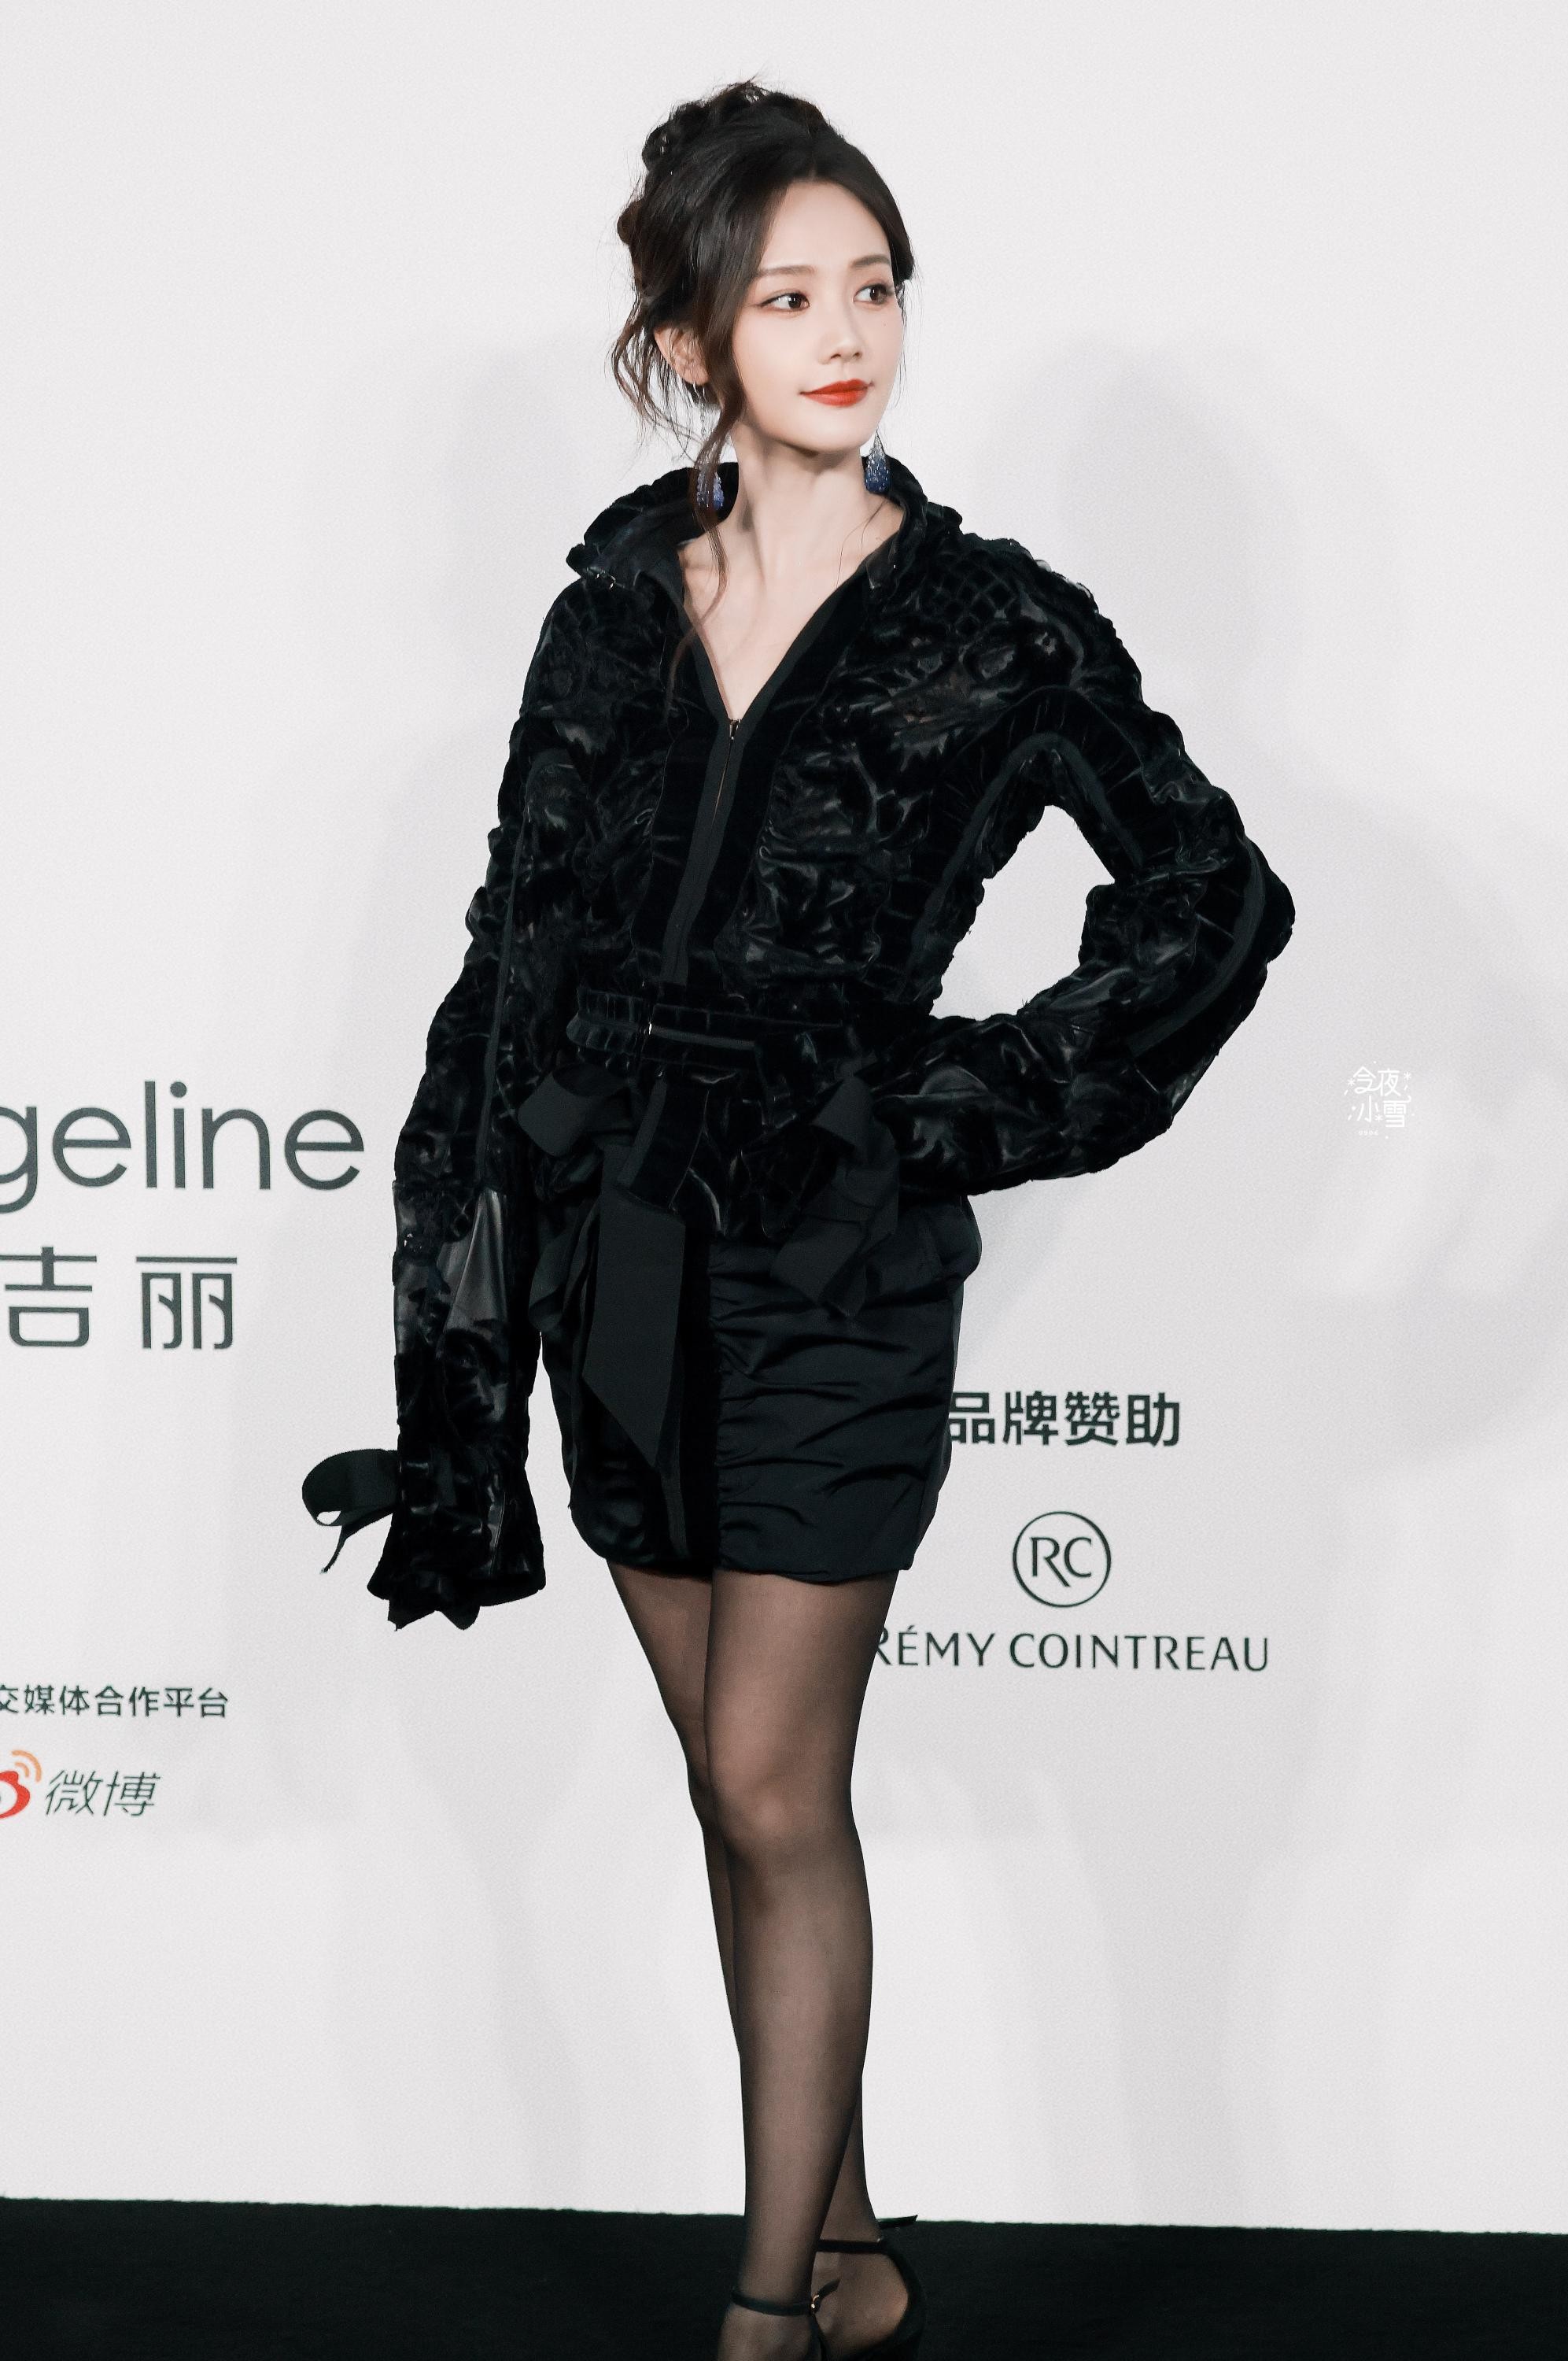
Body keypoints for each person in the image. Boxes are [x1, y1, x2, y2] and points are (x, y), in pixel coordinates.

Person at [305, 79, 1295, 2361]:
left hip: (832, 1268)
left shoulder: (991, 626)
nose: (847, 335)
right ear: (689, 337)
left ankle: (766, 2311)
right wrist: (457, 1349)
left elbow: (1210, 900)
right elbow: (507, 972)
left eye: (876, 288)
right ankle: (848, 2254)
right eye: (787, 297)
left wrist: (945, 1104)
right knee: (729, 1796)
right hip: (610, 1261)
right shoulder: (604, 610)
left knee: (774, 1781)